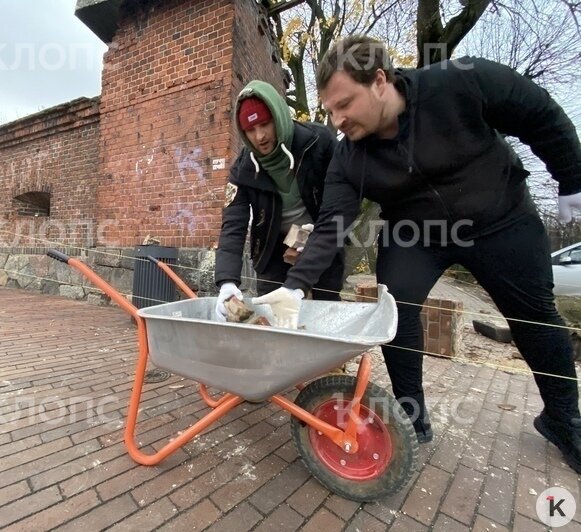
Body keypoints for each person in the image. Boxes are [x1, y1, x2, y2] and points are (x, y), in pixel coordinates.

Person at [252, 35, 581, 472]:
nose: (337, 120)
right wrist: (294, 288)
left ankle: (563, 418)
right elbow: (332, 223)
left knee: (534, 315)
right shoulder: (349, 159)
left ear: (381, 81)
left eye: (344, 104)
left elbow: (538, 112)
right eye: (330, 111)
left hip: (501, 218)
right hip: (416, 234)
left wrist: (572, 179)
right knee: (396, 305)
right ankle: (412, 413)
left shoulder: (460, 82)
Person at [214, 80, 344, 320]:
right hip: (272, 251)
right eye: (250, 130)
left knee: (326, 316)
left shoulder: (320, 143)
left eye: (265, 124)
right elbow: (233, 224)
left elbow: (342, 203)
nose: (260, 136)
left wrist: (318, 235)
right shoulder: (242, 169)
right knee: (272, 320)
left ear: (279, 116)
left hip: (321, 240)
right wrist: (226, 281)